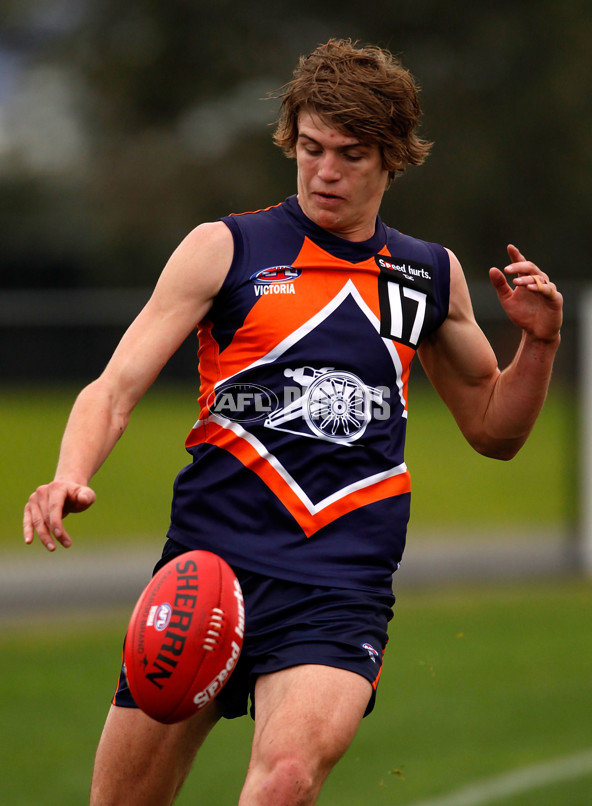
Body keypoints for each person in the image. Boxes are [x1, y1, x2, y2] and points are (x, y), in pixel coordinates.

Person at [23, 38, 562, 806]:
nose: (324, 171)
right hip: (207, 568)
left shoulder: (427, 276)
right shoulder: (226, 249)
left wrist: (537, 345)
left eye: (348, 154)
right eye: (310, 149)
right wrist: (71, 472)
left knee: (284, 779)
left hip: (339, 581)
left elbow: (493, 431)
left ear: (393, 160)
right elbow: (113, 389)